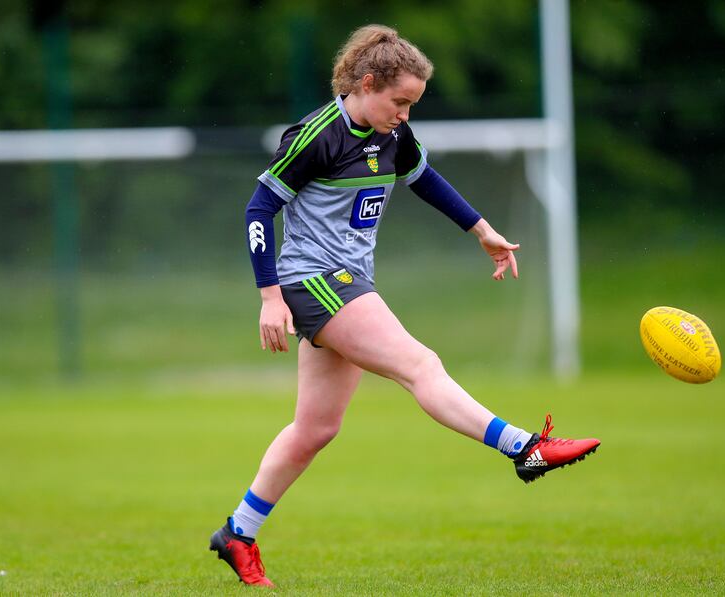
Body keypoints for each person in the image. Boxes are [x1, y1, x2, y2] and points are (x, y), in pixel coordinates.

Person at [209, 24, 600, 587]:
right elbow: (256, 210)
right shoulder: (316, 136)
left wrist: (482, 230)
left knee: (315, 428)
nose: (406, 114)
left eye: (413, 104)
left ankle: (238, 533)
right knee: (421, 365)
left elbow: (427, 181)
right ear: (366, 83)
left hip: (349, 279)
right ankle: (525, 448)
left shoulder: (395, 136)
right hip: (314, 281)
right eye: (400, 102)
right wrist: (269, 296)